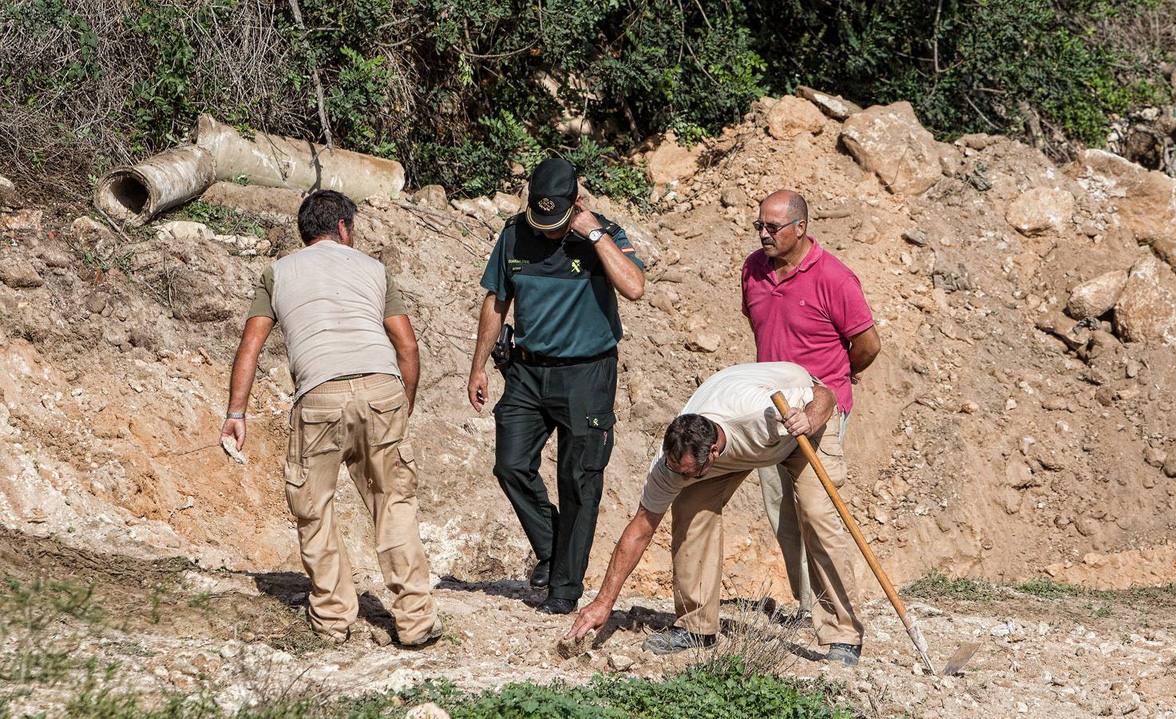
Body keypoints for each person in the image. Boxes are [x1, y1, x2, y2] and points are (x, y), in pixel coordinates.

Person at [219, 190, 439, 647]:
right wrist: (404, 402)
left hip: (319, 395)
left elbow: (250, 346)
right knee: (393, 505)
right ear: (343, 227)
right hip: (382, 388)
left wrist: (235, 413)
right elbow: (408, 346)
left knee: (313, 506)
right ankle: (415, 623)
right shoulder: (373, 269)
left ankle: (333, 619)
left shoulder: (277, 273)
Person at [565, 362, 865, 666]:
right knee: (691, 508)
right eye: (677, 470)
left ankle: (844, 634)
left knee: (816, 516)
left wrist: (809, 420)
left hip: (803, 429)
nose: (679, 477)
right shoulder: (672, 463)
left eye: (688, 472)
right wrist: (604, 602)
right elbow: (642, 527)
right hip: (743, 441)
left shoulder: (758, 412)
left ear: (712, 454)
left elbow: (823, 394)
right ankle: (697, 627)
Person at [467, 158, 645, 615]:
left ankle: (564, 589)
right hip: (527, 372)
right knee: (510, 465)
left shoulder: (603, 235)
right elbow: (497, 301)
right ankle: (554, 548)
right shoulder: (513, 233)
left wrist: (594, 234)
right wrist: (479, 365)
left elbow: (634, 286)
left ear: (577, 204)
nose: (547, 231)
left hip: (587, 374)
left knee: (579, 479)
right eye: (540, 219)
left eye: (557, 221)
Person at [742, 190, 880, 633]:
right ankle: (806, 607)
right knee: (781, 512)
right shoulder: (752, 270)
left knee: (818, 515)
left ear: (800, 228)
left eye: (773, 227)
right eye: (759, 225)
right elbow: (761, 326)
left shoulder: (835, 278)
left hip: (820, 411)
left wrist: (839, 378)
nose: (763, 234)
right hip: (771, 412)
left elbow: (868, 344)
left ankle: (840, 622)